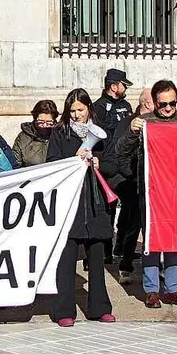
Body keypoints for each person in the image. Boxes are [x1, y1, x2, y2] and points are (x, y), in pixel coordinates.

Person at [119, 80, 177, 308]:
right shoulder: (144, 121)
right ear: (154, 102)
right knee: (152, 240)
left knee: (175, 240)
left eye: (173, 103)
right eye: (164, 104)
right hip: (152, 192)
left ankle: (173, 289)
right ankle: (152, 290)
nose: (168, 109)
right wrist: (132, 133)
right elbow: (120, 151)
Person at [46, 89, 116, 326]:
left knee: (97, 260)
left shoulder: (102, 131)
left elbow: (114, 162)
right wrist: (72, 159)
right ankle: (63, 310)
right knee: (66, 260)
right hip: (71, 204)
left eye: (80, 110)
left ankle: (100, 307)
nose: (76, 115)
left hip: (95, 204)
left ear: (89, 109)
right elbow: (51, 164)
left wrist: (100, 162)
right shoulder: (59, 133)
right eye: (72, 111)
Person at [108, 90, 153, 284]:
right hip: (133, 181)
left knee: (152, 227)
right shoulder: (127, 123)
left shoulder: (158, 122)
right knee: (132, 225)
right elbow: (119, 152)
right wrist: (132, 175)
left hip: (155, 184)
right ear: (149, 104)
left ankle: (155, 266)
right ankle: (125, 265)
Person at [91, 68, 134, 140]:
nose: (126, 88)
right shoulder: (99, 106)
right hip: (108, 149)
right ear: (113, 87)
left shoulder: (126, 105)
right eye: (123, 85)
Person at [12, 100, 58, 167]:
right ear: (35, 119)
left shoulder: (60, 136)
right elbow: (15, 163)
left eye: (49, 123)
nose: (44, 125)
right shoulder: (23, 137)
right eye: (41, 122)